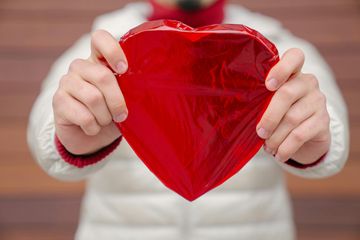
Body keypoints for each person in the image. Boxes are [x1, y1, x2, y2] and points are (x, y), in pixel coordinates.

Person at [27, 0, 349, 239]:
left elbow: (331, 124)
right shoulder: (99, 50)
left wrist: (314, 144)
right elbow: (44, 126)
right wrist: (70, 142)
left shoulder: (276, 50)